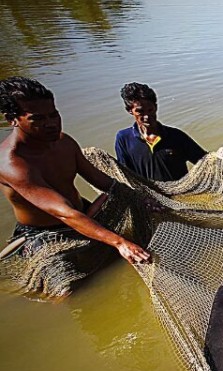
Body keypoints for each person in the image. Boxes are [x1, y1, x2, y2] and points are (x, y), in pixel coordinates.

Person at [0, 76, 150, 264]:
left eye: (54, 115)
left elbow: (104, 182)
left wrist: (140, 198)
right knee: (64, 292)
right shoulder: (11, 162)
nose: (51, 124)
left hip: (86, 212)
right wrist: (119, 242)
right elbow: (64, 213)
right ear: (11, 120)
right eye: (37, 119)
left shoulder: (64, 142)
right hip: (48, 233)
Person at [115, 82, 208, 182]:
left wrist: (220, 156)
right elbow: (125, 175)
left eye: (150, 110)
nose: (147, 116)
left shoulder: (176, 136)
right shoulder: (123, 139)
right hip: (146, 196)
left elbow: (205, 162)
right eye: (140, 111)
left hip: (180, 195)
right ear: (130, 110)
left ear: (156, 107)